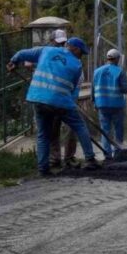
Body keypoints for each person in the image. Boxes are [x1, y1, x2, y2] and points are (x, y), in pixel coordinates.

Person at [7, 37, 100, 176]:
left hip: (38, 98)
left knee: (43, 134)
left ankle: (43, 169)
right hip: (61, 102)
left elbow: (21, 54)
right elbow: (72, 88)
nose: (81, 56)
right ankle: (90, 159)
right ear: (74, 49)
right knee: (80, 126)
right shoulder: (76, 65)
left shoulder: (46, 50)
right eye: (81, 53)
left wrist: (13, 62)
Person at [45, 29, 79, 169]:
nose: (61, 45)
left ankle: (69, 157)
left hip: (68, 99)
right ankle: (55, 158)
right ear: (51, 42)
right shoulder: (47, 54)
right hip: (53, 99)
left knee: (72, 129)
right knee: (53, 130)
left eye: (63, 43)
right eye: (58, 43)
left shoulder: (69, 58)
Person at [92, 48, 127, 161]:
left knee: (105, 131)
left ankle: (107, 155)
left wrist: (94, 102)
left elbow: (92, 90)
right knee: (118, 130)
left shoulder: (97, 71)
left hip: (102, 105)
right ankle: (117, 153)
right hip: (117, 105)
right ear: (117, 59)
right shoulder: (119, 71)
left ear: (107, 58)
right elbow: (125, 89)